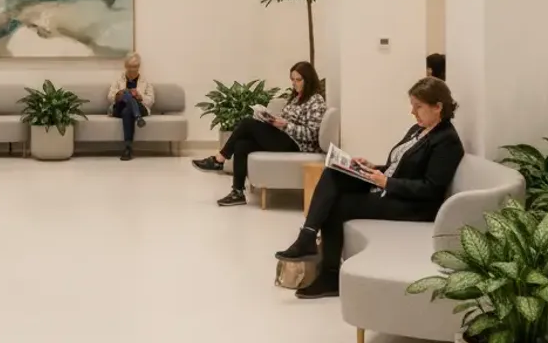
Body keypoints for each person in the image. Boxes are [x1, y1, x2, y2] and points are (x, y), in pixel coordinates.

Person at [275, 77, 464, 300]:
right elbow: (399, 165)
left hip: (412, 206)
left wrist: (386, 182)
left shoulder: (446, 141)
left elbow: (431, 188)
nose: (413, 112)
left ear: (438, 107)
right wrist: (374, 167)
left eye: (418, 106)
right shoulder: (418, 129)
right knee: (334, 172)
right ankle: (307, 236)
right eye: (412, 105)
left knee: (337, 205)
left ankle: (330, 276)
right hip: (389, 186)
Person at [192, 62, 327, 206]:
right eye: (292, 80)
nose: (294, 83)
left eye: (298, 80)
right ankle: (237, 193)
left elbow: (313, 134)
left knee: (247, 123)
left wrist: (287, 125)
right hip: (285, 137)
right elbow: (287, 120)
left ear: (309, 79)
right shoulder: (296, 98)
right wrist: (273, 120)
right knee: (241, 145)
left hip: (298, 145)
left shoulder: (315, 100)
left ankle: (219, 159)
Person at [107, 52, 155, 161]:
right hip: (119, 107)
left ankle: (128, 148)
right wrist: (119, 95)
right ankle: (138, 117)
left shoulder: (145, 81)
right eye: (130, 67)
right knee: (127, 94)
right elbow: (109, 97)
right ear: (125, 66)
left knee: (127, 111)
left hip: (139, 107)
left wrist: (140, 97)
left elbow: (151, 100)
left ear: (139, 66)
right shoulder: (118, 80)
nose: (133, 69)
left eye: (136, 67)